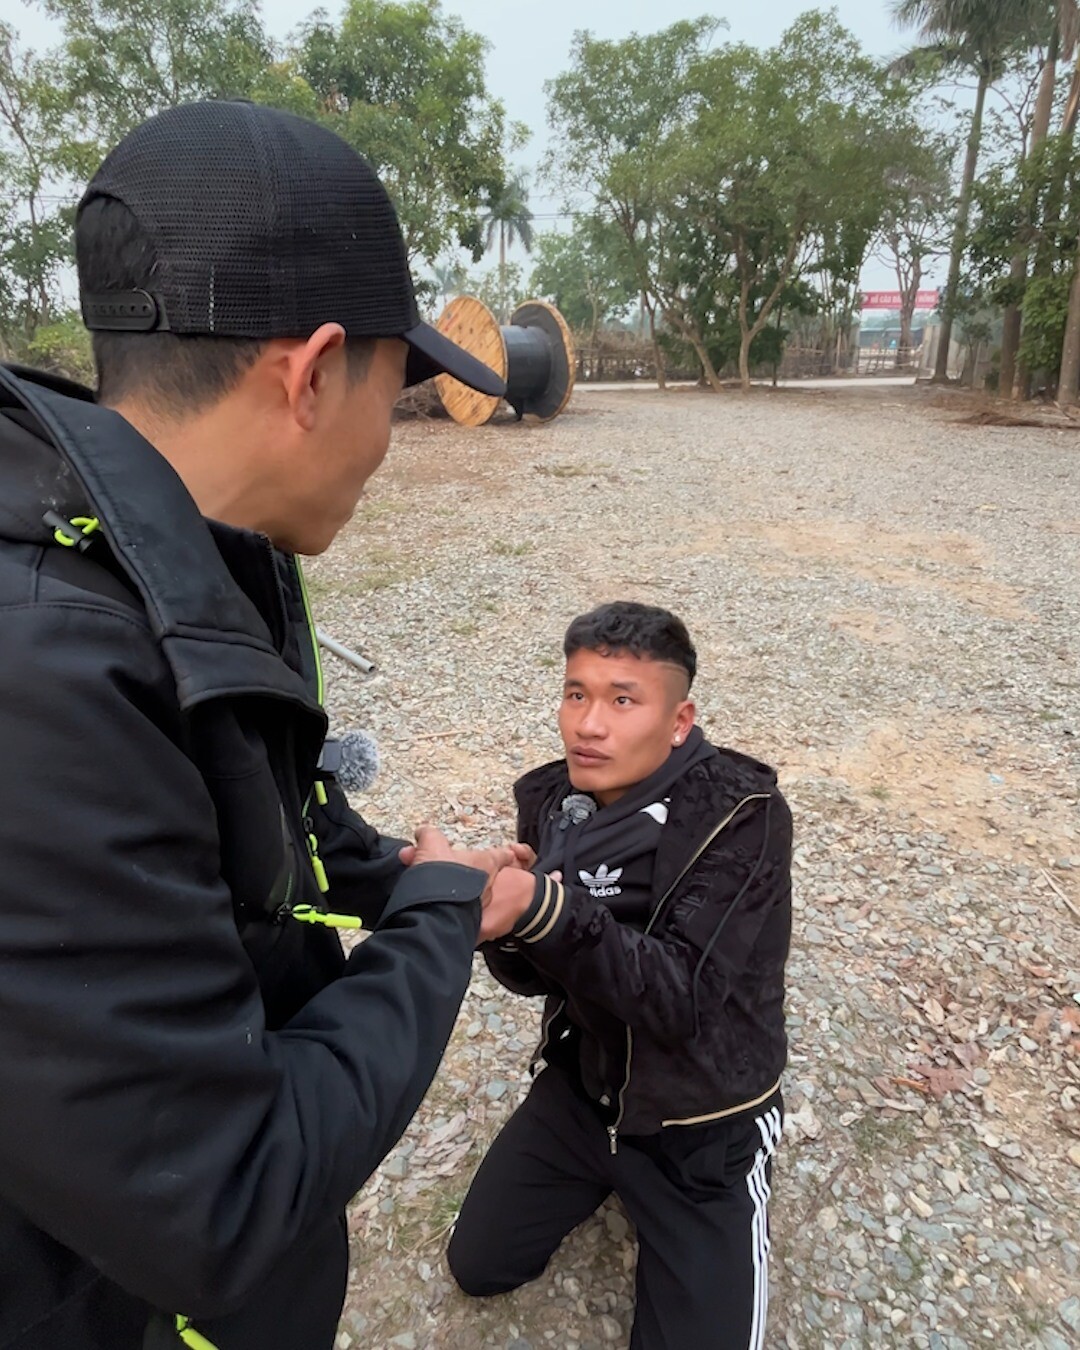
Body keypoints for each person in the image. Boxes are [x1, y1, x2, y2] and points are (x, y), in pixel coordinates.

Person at [0, 100, 521, 1350]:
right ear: (313, 372)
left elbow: (224, 822)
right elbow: (219, 1194)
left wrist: (400, 874)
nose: (389, 441)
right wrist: (443, 922)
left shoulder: (178, 552)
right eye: (396, 392)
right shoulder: (44, 679)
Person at [448, 602, 793, 1350]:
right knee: (478, 1265)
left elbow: (683, 1001)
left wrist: (542, 909)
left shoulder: (742, 815)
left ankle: (709, 1202)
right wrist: (491, 915)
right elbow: (535, 978)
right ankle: (597, 1169)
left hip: (701, 1126)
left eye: (622, 699)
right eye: (577, 693)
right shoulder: (551, 799)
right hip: (586, 1091)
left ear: (679, 719)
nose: (588, 725)